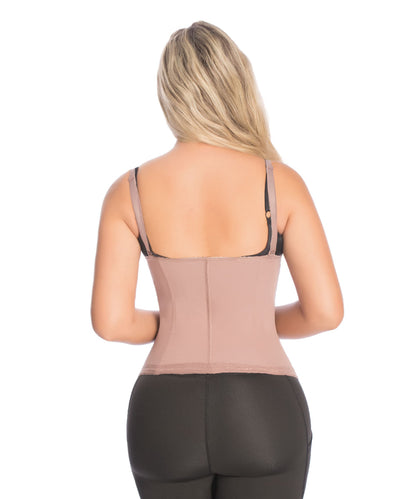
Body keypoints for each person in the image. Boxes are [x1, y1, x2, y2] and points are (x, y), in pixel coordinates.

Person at [90, 20, 343, 499]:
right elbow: (325, 313)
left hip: (164, 417)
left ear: (169, 93)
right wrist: (248, 321)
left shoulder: (129, 191)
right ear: (237, 85)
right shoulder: (280, 183)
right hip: (263, 413)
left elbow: (112, 323)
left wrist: (179, 320)